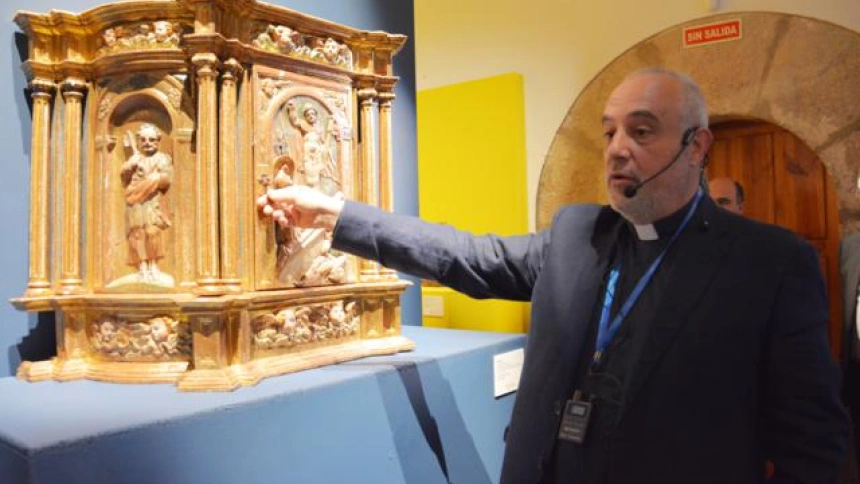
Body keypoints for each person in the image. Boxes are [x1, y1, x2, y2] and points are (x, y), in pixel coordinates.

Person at [257, 68, 849, 483]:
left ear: (697, 147)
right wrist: (335, 216)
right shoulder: (577, 234)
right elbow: (468, 256)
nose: (617, 149)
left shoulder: (769, 263)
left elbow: (814, 450)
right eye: (610, 131)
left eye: (642, 131)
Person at [121, 123, 173, 282]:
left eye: (151, 140)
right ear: (138, 141)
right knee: (138, 233)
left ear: (158, 141)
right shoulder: (136, 158)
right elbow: (124, 176)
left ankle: (153, 264)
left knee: (152, 232)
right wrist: (129, 166)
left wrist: (151, 180)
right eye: (143, 140)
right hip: (134, 201)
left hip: (152, 202)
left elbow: (166, 179)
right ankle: (142, 265)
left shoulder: (162, 158)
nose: (147, 143)